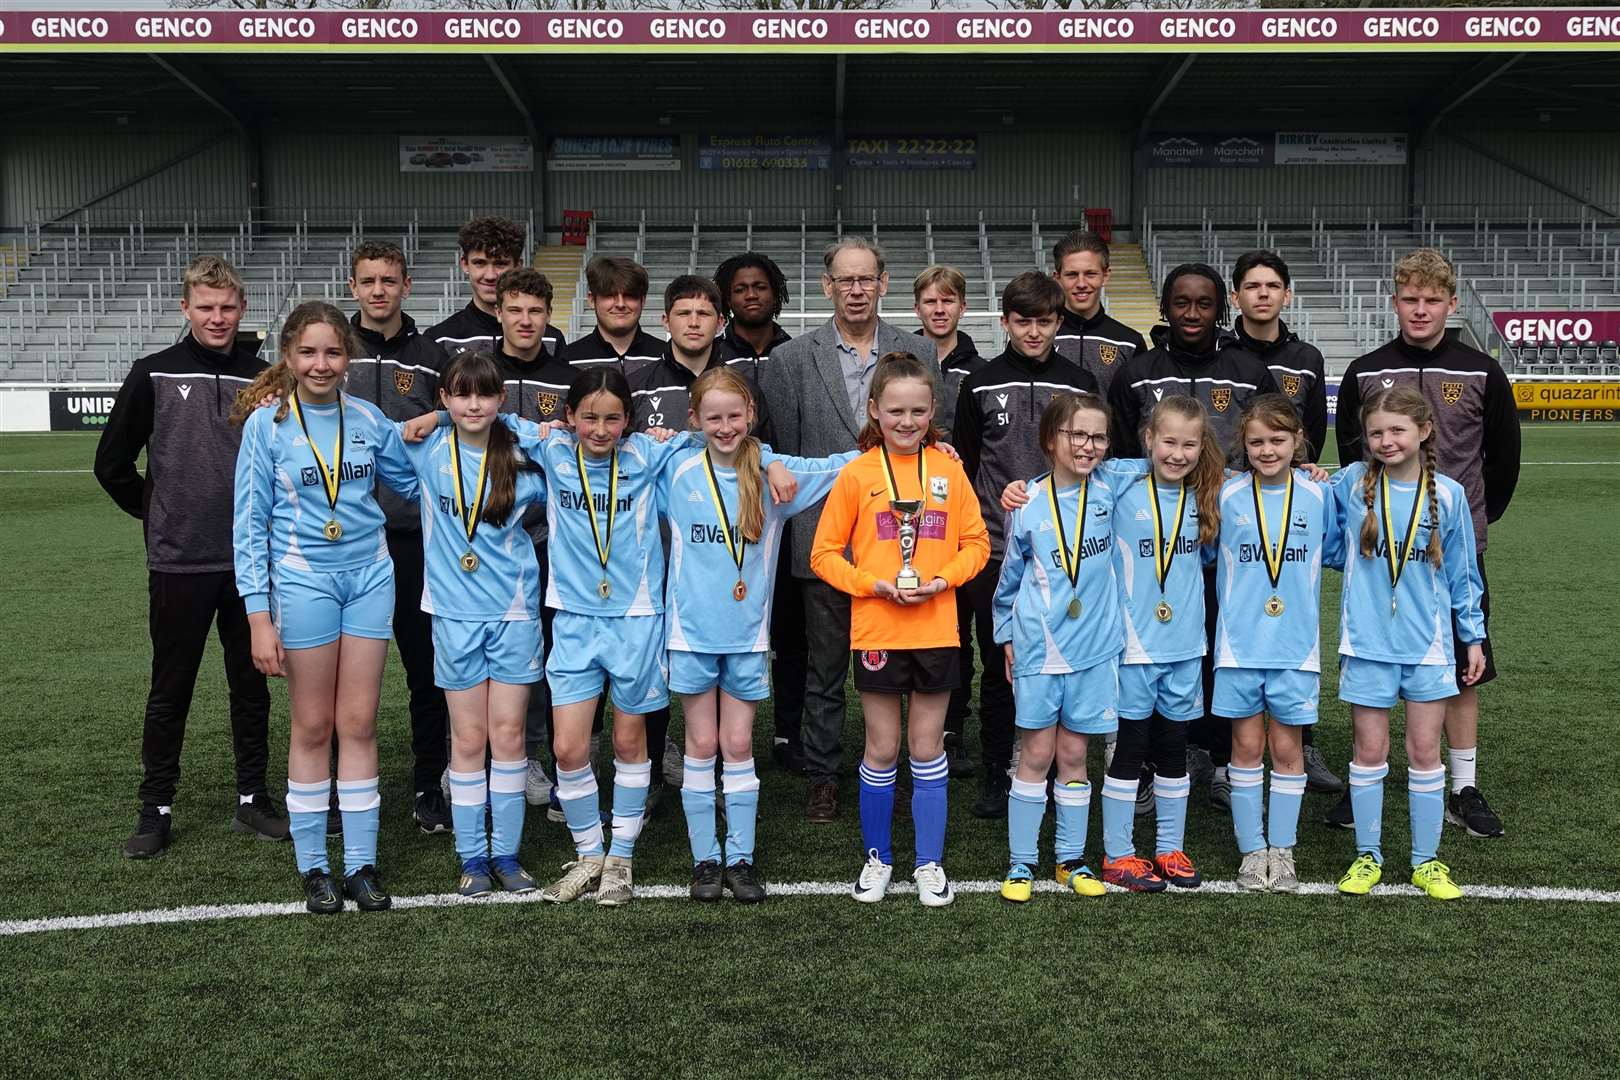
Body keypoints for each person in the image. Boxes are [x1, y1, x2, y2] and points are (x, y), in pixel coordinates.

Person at [230, 301, 420, 914]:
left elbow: (416, 481)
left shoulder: (368, 418)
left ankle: (361, 866)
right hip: (304, 582)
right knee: (313, 726)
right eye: (308, 352)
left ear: (348, 358)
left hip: (370, 579)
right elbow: (248, 525)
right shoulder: (267, 426)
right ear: (287, 356)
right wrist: (259, 617)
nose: (321, 364)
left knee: (359, 724)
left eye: (333, 352)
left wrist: (464, 432)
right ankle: (314, 866)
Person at [94, 254, 284, 859]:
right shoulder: (152, 373)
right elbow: (111, 465)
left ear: (243, 308)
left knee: (251, 685)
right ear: (185, 308)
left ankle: (253, 800)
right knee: (170, 688)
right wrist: (159, 514)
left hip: (250, 564)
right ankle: (156, 808)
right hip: (179, 564)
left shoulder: (267, 378)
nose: (218, 317)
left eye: (228, 307)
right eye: (206, 307)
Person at [1334, 248, 1520, 838]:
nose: (1420, 310)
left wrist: (1472, 518)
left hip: (1451, 544)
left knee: (1462, 664)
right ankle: (1373, 775)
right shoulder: (1364, 369)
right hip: (1378, 546)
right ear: (1395, 302)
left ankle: (1462, 786)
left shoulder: (1482, 369)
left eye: (1432, 300)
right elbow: (1347, 454)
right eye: (1410, 299)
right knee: (1378, 660)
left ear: (1451, 304)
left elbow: (1505, 458)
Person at [662, 368, 854, 903]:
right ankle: (705, 860)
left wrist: (927, 448)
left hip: (747, 638)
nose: (725, 427)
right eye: (713, 417)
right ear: (695, 419)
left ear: (751, 417)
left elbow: (839, 468)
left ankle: (741, 856)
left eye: (735, 416)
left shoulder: (775, 479)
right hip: (691, 636)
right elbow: (625, 450)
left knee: (739, 743)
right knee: (701, 744)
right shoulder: (677, 470)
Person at [758, 236, 930, 824]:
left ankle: (904, 772)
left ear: (883, 284)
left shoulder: (916, 351)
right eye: (843, 280)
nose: (855, 291)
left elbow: (933, 436)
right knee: (824, 668)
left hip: (902, 538)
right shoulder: (788, 361)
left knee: (902, 668)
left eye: (866, 280)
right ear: (826, 286)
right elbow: (778, 447)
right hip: (823, 539)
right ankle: (823, 775)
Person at [811, 354, 989, 906]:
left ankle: (929, 863)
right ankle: (878, 859)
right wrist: (870, 584)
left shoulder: (949, 470)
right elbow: (822, 554)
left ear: (933, 410)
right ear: (874, 411)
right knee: (882, 748)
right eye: (895, 411)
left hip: (936, 629)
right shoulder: (858, 474)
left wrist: (941, 581)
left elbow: (977, 545)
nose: (907, 421)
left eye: (917, 410)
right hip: (879, 631)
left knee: (927, 747)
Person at [1108, 264, 1280, 815]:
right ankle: (1154, 764)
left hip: (1229, 544)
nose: (1191, 313)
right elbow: (1110, 452)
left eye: (1203, 304)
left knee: (1222, 654)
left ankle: (1224, 763)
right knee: (1157, 656)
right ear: (1165, 306)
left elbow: (1275, 441)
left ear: (1219, 309)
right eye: (1180, 302)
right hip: (1156, 545)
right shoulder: (1137, 371)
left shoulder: (1249, 370)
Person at [400, 351, 548, 897]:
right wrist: (434, 421)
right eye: (460, 394)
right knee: (468, 737)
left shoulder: (523, 454)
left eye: (484, 394)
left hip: (512, 616)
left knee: (508, 736)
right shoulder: (428, 448)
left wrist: (517, 425)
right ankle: (472, 858)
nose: (473, 404)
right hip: (453, 617)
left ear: (500, 399)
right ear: (444, 397)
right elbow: (384, 437)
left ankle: (506, 855)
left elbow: (559, 437)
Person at [1331, 386, 1485, 901]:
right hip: (1368, 644)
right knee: (1369, 750)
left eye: (1397, 430)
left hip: (1428, 647)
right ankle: (1367, 857)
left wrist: (1474, 637)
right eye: (1376, 432)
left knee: (1424, 751)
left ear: (1423, 431)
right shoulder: (1351, 483)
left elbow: (1464, 576)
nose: (1386, 440)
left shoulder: (1451, 495)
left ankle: (1426, 861)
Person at [953, 272, 1098, 818]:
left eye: (1044, 320)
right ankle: (998, 772)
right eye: (1022, 321)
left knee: (1065, 665)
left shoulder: (1081, 383)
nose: (1033, 331)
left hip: (1070, 554)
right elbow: (967, 466)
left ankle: (1063, 769)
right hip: (995, 553)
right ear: (1004, 322)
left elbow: (1096, 457)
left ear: (1059, 321)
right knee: (1001, 664)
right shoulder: (980, 382)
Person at [993, 392, 1146, 903]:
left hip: (1097, 650)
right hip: (1040, 648)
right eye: (1076, 435)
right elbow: (1009, 578)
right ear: (1050, 440)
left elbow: (1173, 455)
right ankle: (1020, 863)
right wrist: (1006, 636)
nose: (1088, 445)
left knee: (1076, 754)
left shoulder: (1113, 485)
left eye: (1098, 436)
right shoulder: (1028, 502)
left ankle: (1070, 860)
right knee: (1036, 753)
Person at [343, 240, 453, 833]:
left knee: (424, 667)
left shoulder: (432, 353)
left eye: (389, 279)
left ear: (406, 285)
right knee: (342, 671)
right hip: (348, 541)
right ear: (353, 286)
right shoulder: (335, 350)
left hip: (413, 536)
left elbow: (457, 416)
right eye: (368, 280)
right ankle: (339, 788)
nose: (379, 289)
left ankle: (427, 783)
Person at [1098, 395, 1224, 892]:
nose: (1178, 453)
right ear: (1148, 439)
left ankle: (1170, 847)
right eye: (1168, 441)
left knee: (1174, 748)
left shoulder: (1209, 494)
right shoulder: (1120, 485)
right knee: (1128, 751)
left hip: (1186, 646)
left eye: (1189, 444)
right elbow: (1066, 474)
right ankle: (1119, 854)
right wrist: (1023, 488)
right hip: (1133, 648)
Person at [1226, 250, 1340, 797]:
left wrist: (1305, 465)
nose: (1263, 294)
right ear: (1237, 296)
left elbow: (1311, 427)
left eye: (1273, 285)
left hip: (1288, 500)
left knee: (1290, 621)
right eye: (1252, 285)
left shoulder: (1307, 356)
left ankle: (1303, 744)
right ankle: (1217, 752)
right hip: (1238, 508)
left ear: (1286, 294)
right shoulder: (1225, 353)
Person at [1215, 395, 1339, 893]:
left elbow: (1335, 550)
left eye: (1278, 440)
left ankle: (1282, 850)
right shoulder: (1225, 494)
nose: (1268, 450)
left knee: (1288, 749)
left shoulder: (1318, 494)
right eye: (1257, 441)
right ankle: (1252, 851)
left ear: (1298, 442)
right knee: (1245, 747)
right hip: (1238, 646)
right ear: (1244, 445)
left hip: (1295, 647)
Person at [483, 268, 577, 812]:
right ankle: (469, 756)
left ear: (549, 317)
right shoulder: (478, 373)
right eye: (515, 310)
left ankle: (531, 756)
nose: (525, 320)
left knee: (540, 652)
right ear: (499, 313)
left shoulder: (567, 377)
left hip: (544, 542)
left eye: (536, 312)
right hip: (481, 545)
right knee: (478, 654)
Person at [715, 252, 804, 776]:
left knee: (792, 629)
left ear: (777, 294)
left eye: (761, 287)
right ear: (726, 297)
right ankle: (729, 735)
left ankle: (789, 731)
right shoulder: (713, 356)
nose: (752, 295)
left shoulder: (798, 353)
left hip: (785, 504)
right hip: (727, 514)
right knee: (731, 620)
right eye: (741, 288)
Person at [912, 264, 985, 777]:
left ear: (962, 307)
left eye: (948, 301)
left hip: (958, 510)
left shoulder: (978, 369)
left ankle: (952, 728)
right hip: (904, 514)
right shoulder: (902, 357)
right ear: (917, 308)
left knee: (958, 628)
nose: (939, 310)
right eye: (930, 301)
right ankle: (906, 728)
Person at [630, 275, 772, 439]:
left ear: (720, 323)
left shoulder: (746, 389)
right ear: (666, 321)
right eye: (683, 313)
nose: (694, 323)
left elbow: (763, 455)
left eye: (703, 314)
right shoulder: (634, 388)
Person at [427, 216, 564, 361]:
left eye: (500, 263)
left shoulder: (552, 340)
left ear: (518, 266)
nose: (490, 275)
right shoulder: (440, 339)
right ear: (465, 264)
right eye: (480, 263)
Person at [1051, 229, 1147, 395]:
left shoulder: (1129, 343)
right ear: (1057, 278)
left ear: (1105, 275)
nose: (1081, 283)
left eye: (1090, 274)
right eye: (1072, 275)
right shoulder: (1040, 338)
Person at [559, 255, 663, 375]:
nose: (620, 304)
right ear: (592, 300)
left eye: (629, 295)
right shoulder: (568, 359)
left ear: (643, 301)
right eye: (609, 295)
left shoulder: (666, 357)